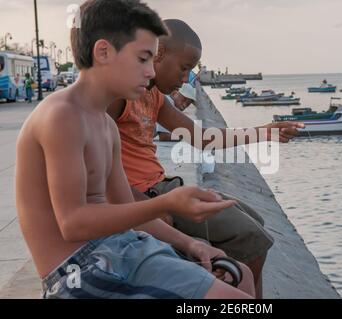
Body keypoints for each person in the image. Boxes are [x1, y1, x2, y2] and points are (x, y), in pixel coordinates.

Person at [15, 0, 255, 299]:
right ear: (103, 52)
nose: (149, 72)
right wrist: (166, 204)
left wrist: (191, 244)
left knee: (239, 275)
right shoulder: (62, 117)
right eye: (143, 59)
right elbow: (72, 225)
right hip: (79, 270)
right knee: (233, 300)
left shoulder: (104, 124)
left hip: (119, 248)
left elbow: (127, 207)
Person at [108, 19, 303, 298]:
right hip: (147, 194)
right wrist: (148, 207)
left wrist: (264, 133)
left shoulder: (154, 97)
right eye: (184, 68)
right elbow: (101, 172)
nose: (185, 79)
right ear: (159, 52)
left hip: (163, 185)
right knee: (253, 239)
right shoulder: (121, 96)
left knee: (255, 220)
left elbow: (202, 138)